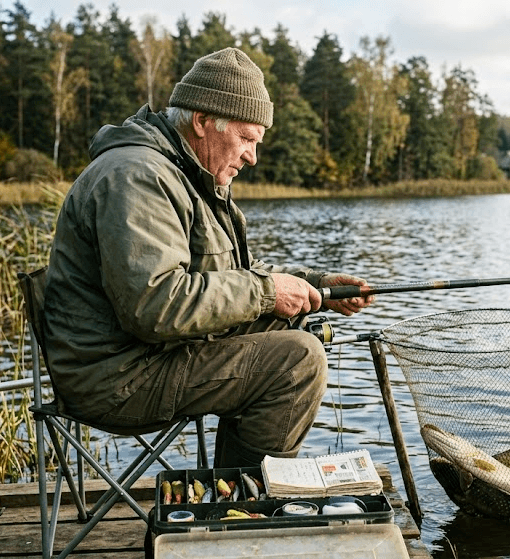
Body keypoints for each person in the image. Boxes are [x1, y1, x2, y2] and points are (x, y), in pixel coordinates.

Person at [42, 47, 373, 468]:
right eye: (247, 139)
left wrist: (318, 285)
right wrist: (269, 293)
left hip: (149, 355)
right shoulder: (137, 176)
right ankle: (243, 505)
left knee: (289, 325)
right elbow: (156, 305)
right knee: (297, 361)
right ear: (202, 121)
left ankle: (238, 488)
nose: (253, 156)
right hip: (117, 377)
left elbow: (231, 276)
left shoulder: (187, 175)